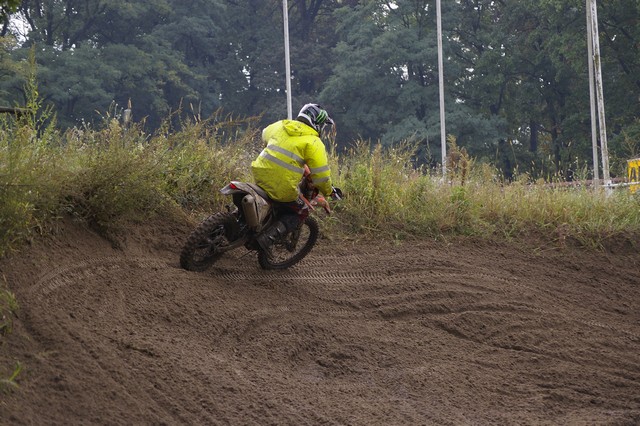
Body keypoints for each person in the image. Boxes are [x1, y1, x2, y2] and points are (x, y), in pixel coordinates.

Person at [251, 103, 341, 251]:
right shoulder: (314, 142)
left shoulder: (281, 125)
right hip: (283, 187)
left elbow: (264, 134)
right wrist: (329, 191)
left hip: (259, 174)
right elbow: (322, 177)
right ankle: (265, 239)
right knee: (302, 210)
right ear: (316, 123)